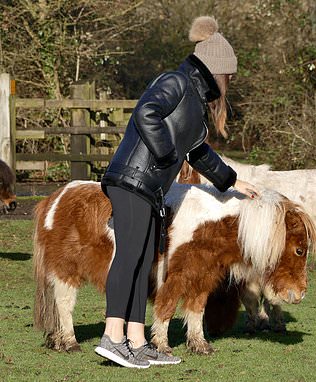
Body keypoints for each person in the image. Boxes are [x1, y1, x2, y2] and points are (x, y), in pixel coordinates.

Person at [94, 16, 259, 368]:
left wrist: (232, 181)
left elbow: (199, 152)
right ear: (215, 69)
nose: (229, 81)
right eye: (228, 74)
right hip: (132, 181)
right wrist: (168, 154)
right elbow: (146, 113)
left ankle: (137, 341)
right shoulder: (176, 82)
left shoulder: (196, 106)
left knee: (143, 265)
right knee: (129, 258)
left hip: (151, 189)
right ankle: (112, 337)